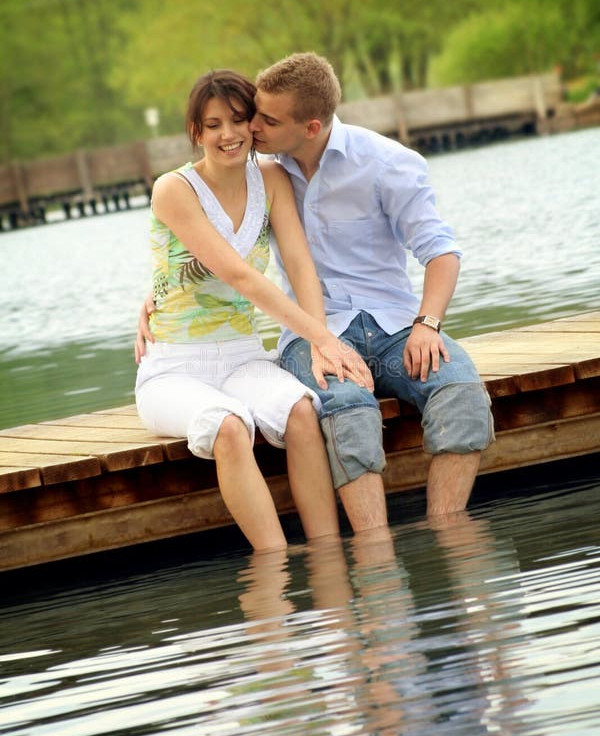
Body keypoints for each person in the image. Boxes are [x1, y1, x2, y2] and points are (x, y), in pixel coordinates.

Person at [138, 53, 495, 532]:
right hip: (310, 333)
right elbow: (218, 254)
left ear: (309, 127)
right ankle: (374, 554)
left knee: (462, 393)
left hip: (393, 326)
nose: (250, 131)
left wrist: (428, 324)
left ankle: (445, 534)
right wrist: (155, 297)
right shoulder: (263, 169)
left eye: (260, 120)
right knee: (346, 409)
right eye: (248, 117)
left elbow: (441, 252)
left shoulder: (379, 164)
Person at [134, 68, 374, 553]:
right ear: (196, 131)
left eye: (240, 120)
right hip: (174, 367)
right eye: (214, 124)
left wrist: (317, 340)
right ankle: (276, 566)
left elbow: (301, 265)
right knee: (229, 426)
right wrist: (326, 340)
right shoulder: (173, 190)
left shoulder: (271, 178)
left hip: (243, 357)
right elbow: (240, 276)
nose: (229, 134)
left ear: (254, 125)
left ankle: (327, 561)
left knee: (303, 411)